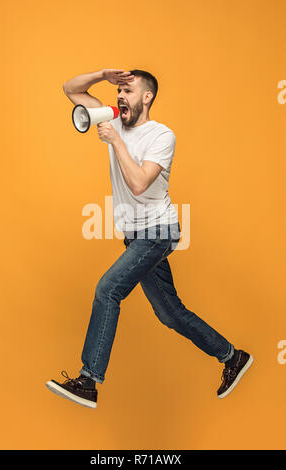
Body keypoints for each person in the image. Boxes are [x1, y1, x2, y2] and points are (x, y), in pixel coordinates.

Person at [46, 69, 254, 409]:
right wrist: (102, 75)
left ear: (147, 97)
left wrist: (114, 141)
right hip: (134, 238)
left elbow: (140, 183)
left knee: (108, 289)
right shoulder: (113, 121)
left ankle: (89, 380)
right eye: (118, 91)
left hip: (158, 232)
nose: (120, 97)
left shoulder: (162, 135)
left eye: (128, 91)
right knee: (170, 313)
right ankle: (232, 357)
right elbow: (69, 89)